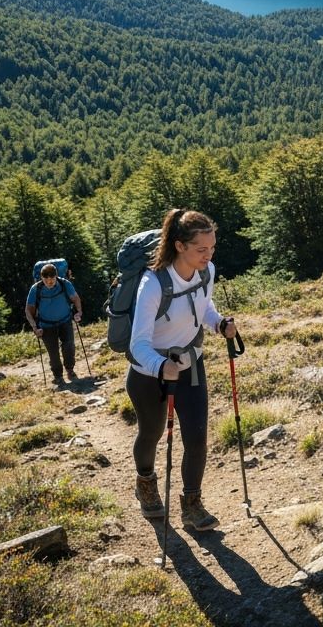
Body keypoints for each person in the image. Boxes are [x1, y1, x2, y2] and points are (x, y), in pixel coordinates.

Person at [127, 208, 237, 532]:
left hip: (190, 363)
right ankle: (145, 482)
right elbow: (138, 343)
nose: (209, 255)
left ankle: (192, 505)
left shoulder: (207, 271)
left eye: (212, 248)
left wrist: (218, 324)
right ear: (179, 246)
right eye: (201, 249)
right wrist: (161, 366)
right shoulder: (153, 284)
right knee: (151, 432)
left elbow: (204, 308)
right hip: (149, 373)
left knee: (197, 438)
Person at [26, 263, 83, 386]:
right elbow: (29, 310)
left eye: (52, 278)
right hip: (46, 325)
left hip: (65, 321)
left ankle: (70, 369)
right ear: (42, 278)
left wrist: (78, 312)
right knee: (53, 353)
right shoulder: (36, 289)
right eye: (46, 279)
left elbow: (75, 298)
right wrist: (35, 327)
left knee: (69, 346)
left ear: (56, 276)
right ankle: (58, 376)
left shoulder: (64, 284)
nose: (49, 281)